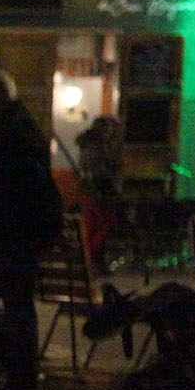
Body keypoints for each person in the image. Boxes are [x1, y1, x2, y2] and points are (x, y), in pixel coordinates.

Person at [0, 67, 65, 390]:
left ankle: (21, 379)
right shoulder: (17, 131)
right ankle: (21, 376)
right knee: (4, 305)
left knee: (6, 305)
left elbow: (9, 190)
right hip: (10, 238)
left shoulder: (12, 137)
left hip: (10, 238)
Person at [76, 114, 123, 274]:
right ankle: (91, 259)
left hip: (94, 190)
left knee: (97, 226)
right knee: (103, 226)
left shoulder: (96, 144)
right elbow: (96, 169)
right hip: (97, 190)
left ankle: (93, 260)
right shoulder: (96, 145)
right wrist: (107, 184)